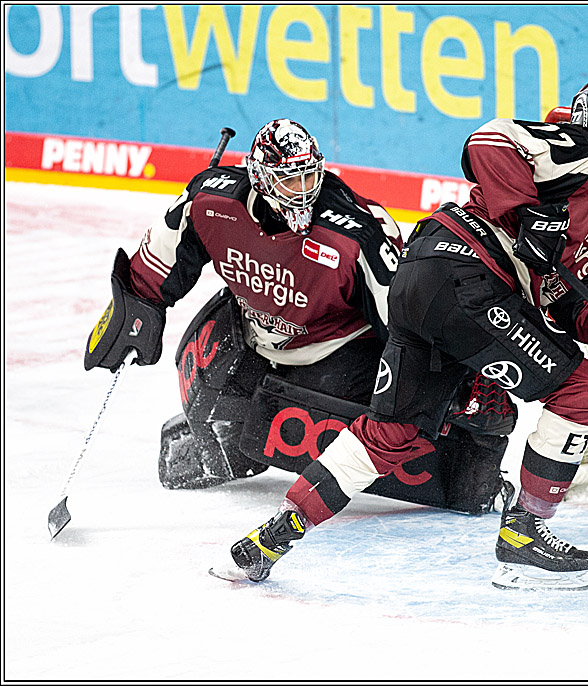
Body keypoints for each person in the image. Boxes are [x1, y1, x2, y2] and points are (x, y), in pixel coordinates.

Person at [219, 78, 588, 590]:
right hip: (466, 278)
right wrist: (526, 213)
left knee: (393, 434)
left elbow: (575, 299)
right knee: (581, 393)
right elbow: (488, 143)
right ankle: (526, 532)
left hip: (424, 280)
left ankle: (269, 539)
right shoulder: (579, 151)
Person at [84, 118, 514, 516]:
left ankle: (465, 456)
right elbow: (155, 265)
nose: (302, 188)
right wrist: (132, 311)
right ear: (259, 177)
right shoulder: (209, 200)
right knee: (224, 450)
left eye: (310, 175)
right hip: (249, 335)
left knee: (431, 461)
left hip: (340, 355)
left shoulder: (356, 233)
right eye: (289, 178)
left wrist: (457, 386)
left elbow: (407, 324)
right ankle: (223, 426)